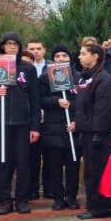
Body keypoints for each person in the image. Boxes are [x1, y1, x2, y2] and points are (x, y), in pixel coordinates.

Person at [0, 32, 41, 215]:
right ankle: (5, 200)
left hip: (22, 123)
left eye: (15, 44)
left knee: (23, 163)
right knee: (3, 162)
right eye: (8, 43)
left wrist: (35, 126)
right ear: (2, 46)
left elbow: (35, 99)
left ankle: (22, 200)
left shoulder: (28, 69)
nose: (12, 46)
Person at [73, 44, 111, 219]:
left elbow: (102, 108)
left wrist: (98, 132)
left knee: (98, 172)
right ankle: (92, 204)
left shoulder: (103, 78)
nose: (80, 57)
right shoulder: (85, 77)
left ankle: (100, 208)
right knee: (89, 173)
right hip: (86, 132)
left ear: (95, 56)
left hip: (97, 134)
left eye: (84, 54)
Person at [39, 45, 80, 211]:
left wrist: (77, 121)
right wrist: (56, 101)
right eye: (57, 56)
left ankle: (71, 196)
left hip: (72, 129)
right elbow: (40, 100)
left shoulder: (78, 77)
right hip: (52, 129)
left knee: (73, 165)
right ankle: (58, 197)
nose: (61, 59)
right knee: (54, 166)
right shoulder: (44, 78)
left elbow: (83, 101)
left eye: (64, 55)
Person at [25, 38, 49, 202]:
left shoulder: (51, 67)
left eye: (38, 48)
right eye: (32, 49)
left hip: (49, 117)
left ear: (44, 50)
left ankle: (49, 188)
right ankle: (32, 189)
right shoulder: (22, 67)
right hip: (30, 117)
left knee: (49, 155)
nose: (35, 51)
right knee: (31, 156)